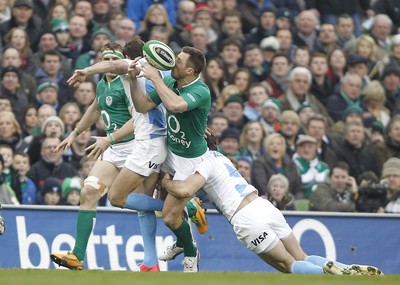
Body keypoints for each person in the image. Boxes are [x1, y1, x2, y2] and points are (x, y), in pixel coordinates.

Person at [51, 40, 207, 272]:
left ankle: (162, 242)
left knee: (126, 201)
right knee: (89, 190)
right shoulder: (106, 84)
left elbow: (138, 117)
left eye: (115, 58)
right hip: (117, 150)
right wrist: (74, 133)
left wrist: (86, 70)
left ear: (125, 57)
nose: (111, 63)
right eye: (107, 59)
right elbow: (95, 108)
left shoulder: (133, 71)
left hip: (139, 146)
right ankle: (78, 256)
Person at [160, 150, 383, 275]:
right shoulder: (220, 156)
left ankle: (331, 276)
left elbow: (184, 189)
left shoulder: (202, 163)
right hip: (264, 206)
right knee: (301, 256)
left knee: (288, 265)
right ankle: (346, 271)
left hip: (245, 217)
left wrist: (166, 182)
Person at [127, 46, 211, 272]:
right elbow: (142, 105)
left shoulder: (201, 91)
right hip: (169, 150)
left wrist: (155, 77)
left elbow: (175, 105)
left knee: (169, 216)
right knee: (146, 190)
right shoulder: (173, 83)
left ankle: (191, 252)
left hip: (190, 160)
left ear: (190, 71)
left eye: (179, 62)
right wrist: (134, 80)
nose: (174, 63)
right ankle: (184, 231)